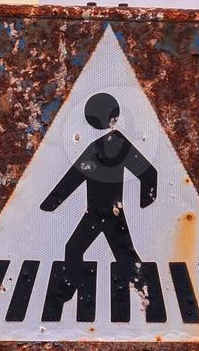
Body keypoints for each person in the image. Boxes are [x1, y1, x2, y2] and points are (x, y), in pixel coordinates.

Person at [40, 92, 158, 269]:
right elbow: (75, 176)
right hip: (98, 211)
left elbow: (148, 173)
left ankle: (145, 290)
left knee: (79, 250)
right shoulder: (106, 144)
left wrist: (52, 203)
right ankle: (67, 292)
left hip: (106, 212)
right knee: (78, 249)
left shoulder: (111, 144)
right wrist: (145, 200)